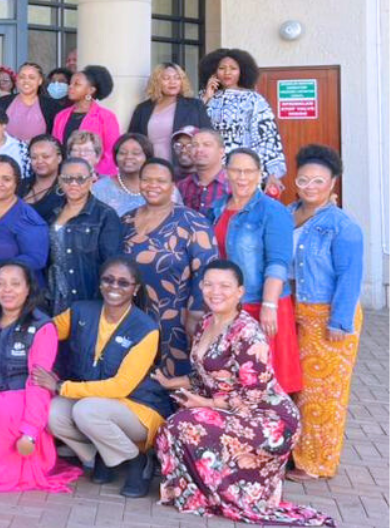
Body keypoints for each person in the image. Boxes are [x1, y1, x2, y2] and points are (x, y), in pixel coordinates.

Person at [153, 260, 333, 526]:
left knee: (182, 425)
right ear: (201, 287)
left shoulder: (248, 333)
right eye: (209, 284)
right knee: (176, 418)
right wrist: (172, 383)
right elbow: (206, 374)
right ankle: (203, 491)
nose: (216, 291)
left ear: (240, 292)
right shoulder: (206, 322)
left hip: (270, 420)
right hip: (234, 408)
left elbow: (253, 396)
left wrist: (203, 403)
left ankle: (215, 494)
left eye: (225, 286)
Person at [39, 259, 173, 498]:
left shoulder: (146, 329)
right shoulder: (81, 311)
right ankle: (99, 454)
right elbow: (44, 332)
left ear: (135, 289)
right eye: (108, 280)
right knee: (50, 411)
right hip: (94, 403)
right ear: (100, 284)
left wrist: (61, 386)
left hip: (139, 408)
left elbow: (121, 387)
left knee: (86, 411)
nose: (114, 286)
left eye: (123, 282)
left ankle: (137, 462)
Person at [0, 262, 79, 493]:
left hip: (21, 394)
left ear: (28, 288)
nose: (7, 290)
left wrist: (30, 433)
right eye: (0, 284)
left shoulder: (41, 327)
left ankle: (11, 467)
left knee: (5, 413)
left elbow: (38, 382)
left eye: (15, 284)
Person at [288, 145, 364, 480]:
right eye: (304, 179)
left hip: (327, 315)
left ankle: (317, 462)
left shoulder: (342, 225)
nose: (310, 186)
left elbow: (351, 276)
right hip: (293, 311)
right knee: (296, 387)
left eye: (318, 180)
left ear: (332, 182)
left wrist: (340, 322)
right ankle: (294, 451)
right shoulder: (288, 212)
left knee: (323, 394)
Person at [209, 148, 301, 394]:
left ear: (260, 174)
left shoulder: (273, 211)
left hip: (261, 305)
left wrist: (269, 305)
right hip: (228, 306)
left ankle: (279, 431)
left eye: (249, 171)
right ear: (226, 172)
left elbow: (278, 262)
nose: (242, 177)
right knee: (233, 383)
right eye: (236, 170)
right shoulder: (216, 208)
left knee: (268, 384)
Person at [120, 158, 218, 377]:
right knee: (136, 376)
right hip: (132, 317)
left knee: (175, 379)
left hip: (177, 321)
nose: (152, 185)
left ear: (173, 185)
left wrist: (195, 314)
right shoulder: (125, 221)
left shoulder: (193, 222)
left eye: (160, 181)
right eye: (146, 179)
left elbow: (206, 272)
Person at [199, 48, 287, 192]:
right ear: (213, 72)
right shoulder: (204, 98)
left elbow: (267, 137)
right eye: (222, 68)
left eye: (233, 68)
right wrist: (206, 97)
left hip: (243, 171)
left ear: (242, 71)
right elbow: (193, 128)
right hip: (210, 171)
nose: (227, 72)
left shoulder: (254, 100)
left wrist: (272, 173)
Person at [46, 157, 123, 315]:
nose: (74, 183)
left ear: (91, 180)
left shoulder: (104, 215)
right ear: (60, 181)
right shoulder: (52, 212)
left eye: (80, 179)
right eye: (68, 179)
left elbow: (112, 264)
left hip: (88, 296)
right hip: (54, 295)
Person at [0, 156, 48, 286]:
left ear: (16, 183)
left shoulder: (26, 217)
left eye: (6, 179)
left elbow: (36, 259)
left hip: (19, 293)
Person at [127, 63, 211, 162]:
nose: (173, 82)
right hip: (151, 168)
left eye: (177, 78)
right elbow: (132, 140)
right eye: (166, 78)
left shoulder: (195, 106)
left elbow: (208, 136)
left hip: (184, 167)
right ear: (156, 82)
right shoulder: (143, 109)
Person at [52, 65, 120, 176]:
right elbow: (55, 149)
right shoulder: (61, 116)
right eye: (70, 83)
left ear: (91, 90)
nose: (70, 87)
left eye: (76, 84)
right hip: (64, 177)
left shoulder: (106, 117)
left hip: (95, 179)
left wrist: (95, 176)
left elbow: (111, 153)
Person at [93, 133, 170, 216]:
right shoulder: (100, 189)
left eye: (136, 153)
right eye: (123, 153)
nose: (129, 157)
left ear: (148, 158)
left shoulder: (162, 188)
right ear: (116, 157)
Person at [0, 62, 62, 144]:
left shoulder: (52, 106)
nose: (26, 81)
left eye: (31, 77)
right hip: (5, 155)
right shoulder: (2, 102)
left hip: (38, 155)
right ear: (17, 80)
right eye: (22, 77)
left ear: (40, 81)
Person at [176, 128, 229, 219]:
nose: (199, 150)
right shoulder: (182, 186)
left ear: (222, 152)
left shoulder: (234, 186)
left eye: (207, 145)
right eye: (194, 145)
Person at [22, 134, 65, 223]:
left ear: (59, 158)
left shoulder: (67, 190)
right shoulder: (20, 185)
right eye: (34, 157)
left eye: (46, 157)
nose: (39, 161)